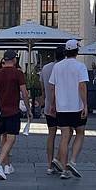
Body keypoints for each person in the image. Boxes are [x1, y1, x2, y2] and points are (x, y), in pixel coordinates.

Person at [49, 39, 88, 179]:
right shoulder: (80, 66)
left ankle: (63, 167)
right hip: (76, 105)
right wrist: (85, 104)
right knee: (80, 132)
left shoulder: (57, 67)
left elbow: (52, 87)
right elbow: (82, 86)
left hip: (62, 106)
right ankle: (72, 161)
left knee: (65, 136)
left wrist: (53, 104)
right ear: (77, 51)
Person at [0, 50, 31, 180]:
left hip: (0, 110)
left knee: (3, 138)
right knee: (11, 138)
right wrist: (28, 108)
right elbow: (24, 92)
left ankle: (7, 166)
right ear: (14, 60)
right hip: (13, 110)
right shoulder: (18, 73)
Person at [40, 46, 65, 174]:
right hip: (63, 106)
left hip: (49, 106)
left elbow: (43, 88)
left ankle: (49, 165)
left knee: (51, 134)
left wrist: (45, 101)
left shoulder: (45, 68)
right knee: (66, 134)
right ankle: (59, 160)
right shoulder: (63, 68)